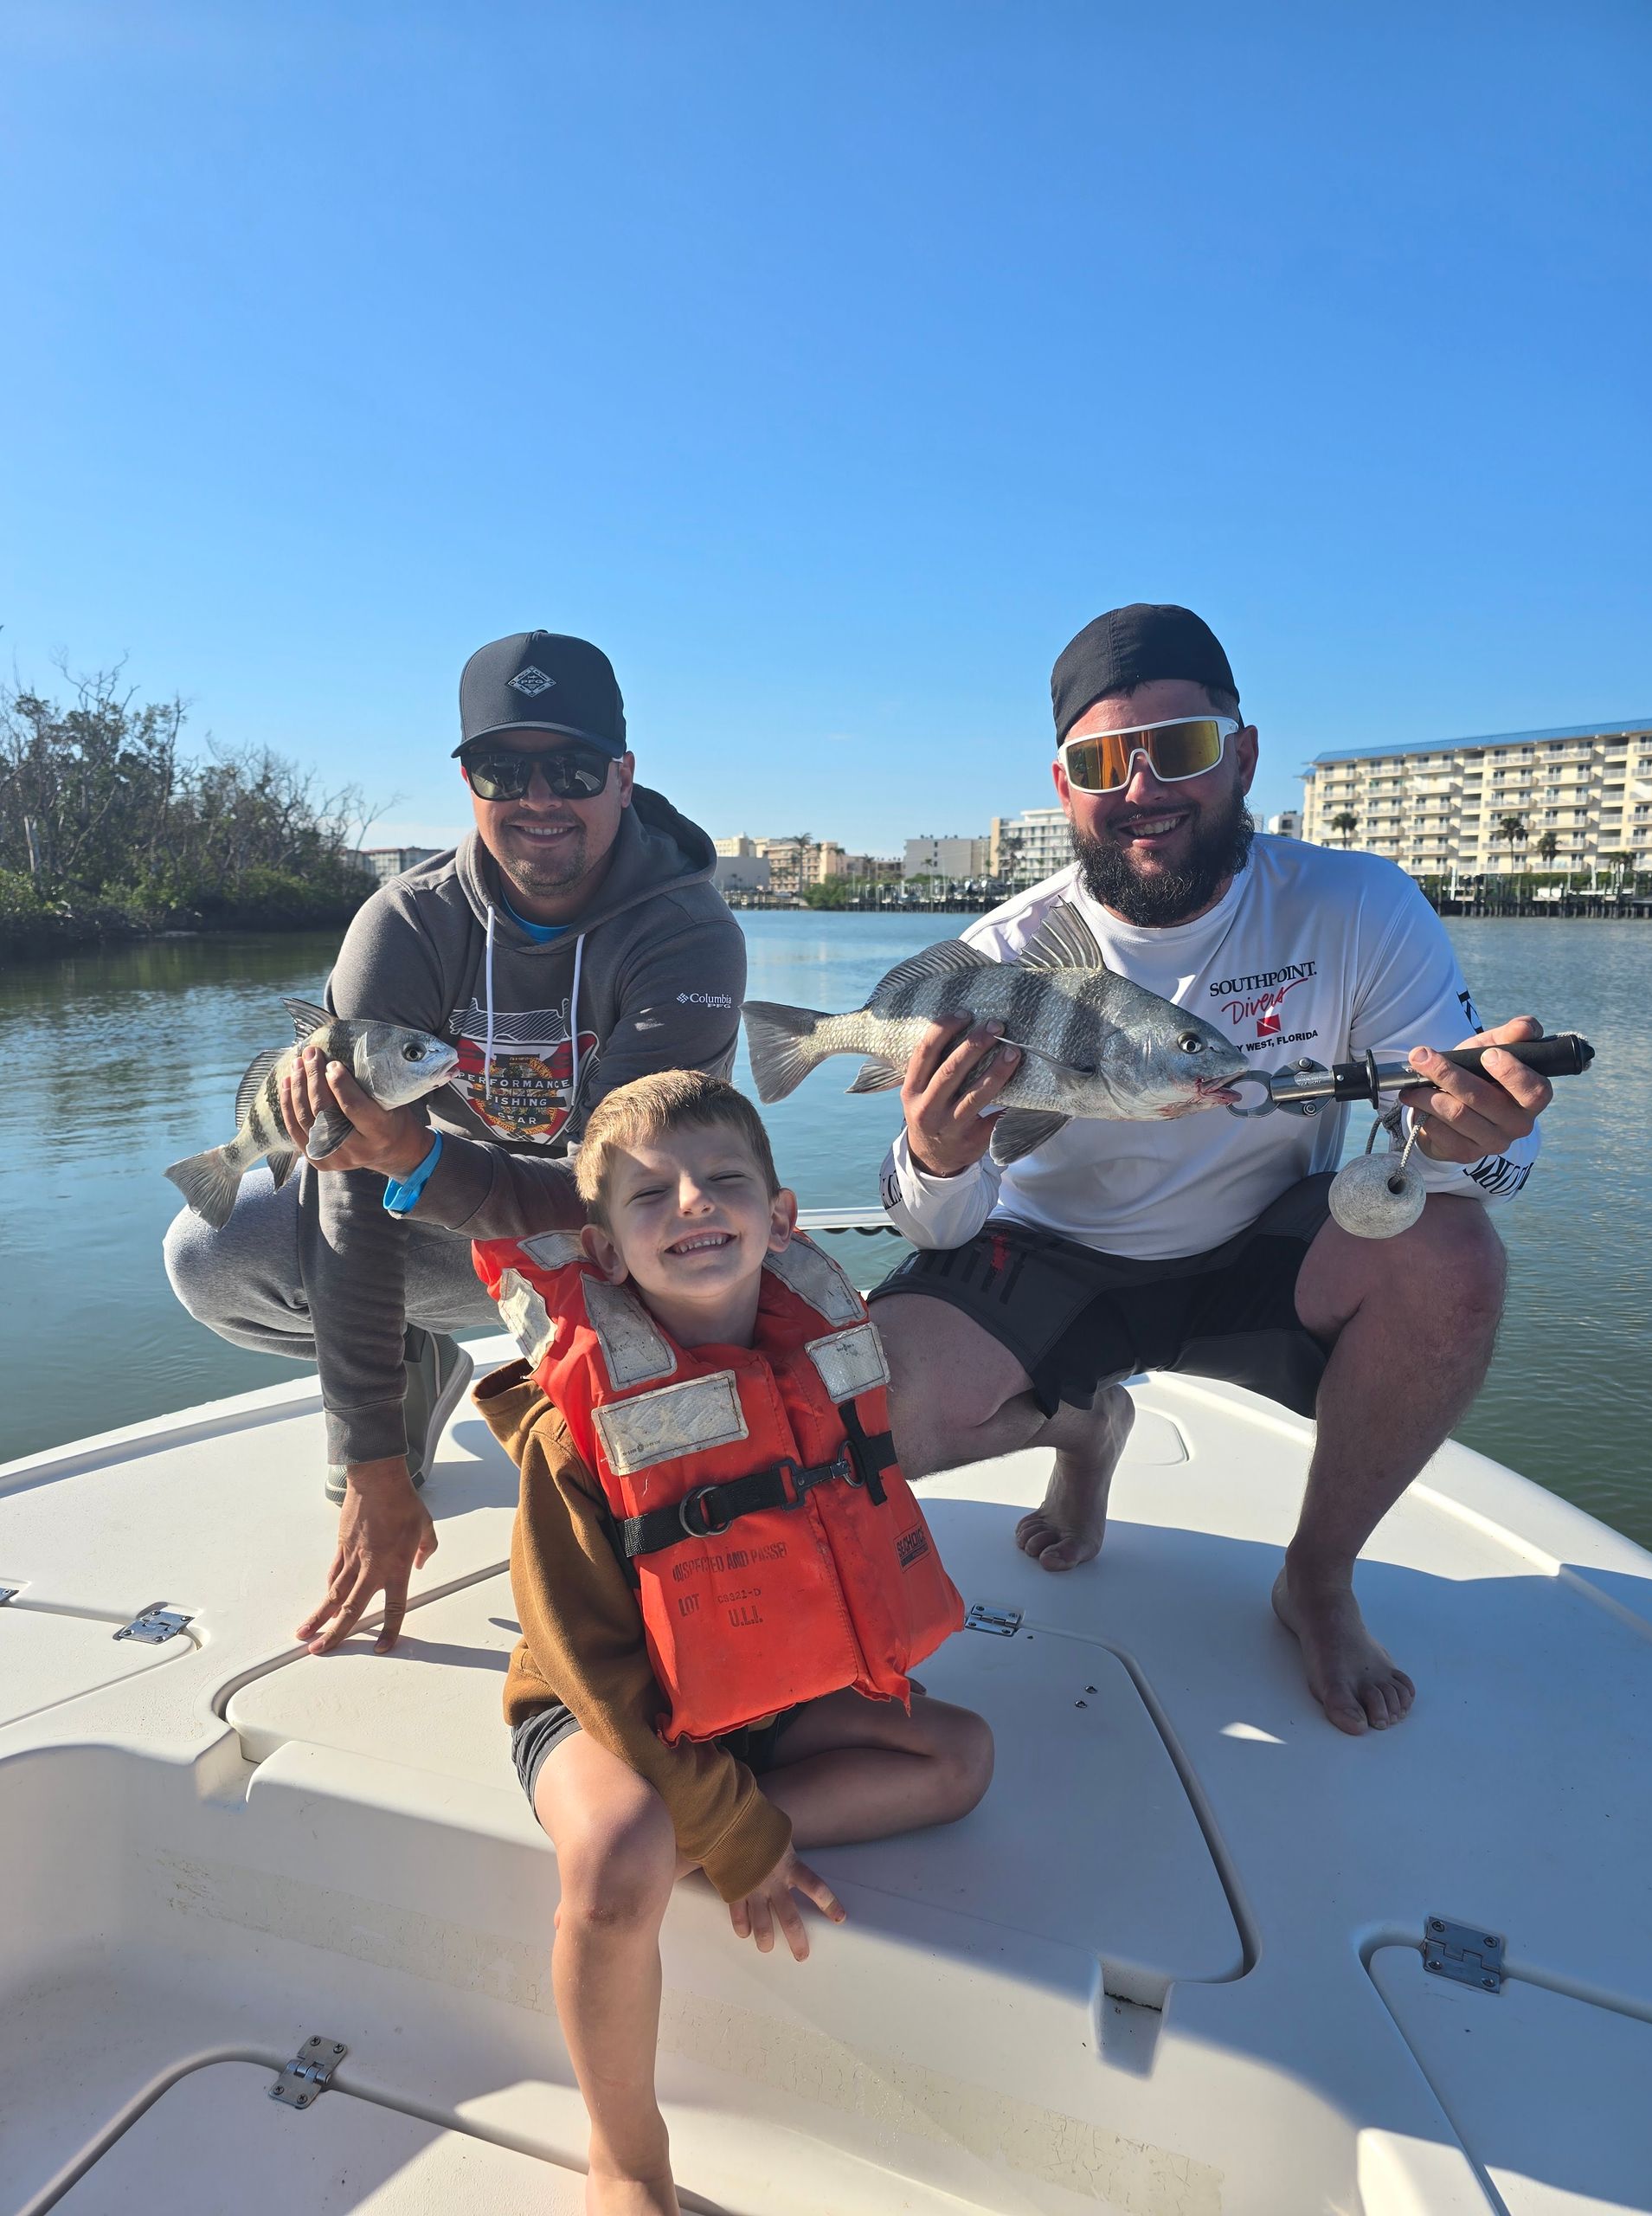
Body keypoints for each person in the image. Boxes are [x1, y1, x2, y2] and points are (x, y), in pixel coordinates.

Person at [868, 603, 1554, 1736]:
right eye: (1102, 761)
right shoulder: (998, 957)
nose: (1142, 786)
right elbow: (932, 1228)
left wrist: (1469, 1147)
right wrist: (937, 1158)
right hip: (1048, 1254)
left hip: (1266, 1246)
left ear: (1241, 754)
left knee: (1456, 1256)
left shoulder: (1358, 907)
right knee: (852, 1418)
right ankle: (1082, 1429)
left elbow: (1491, 1174)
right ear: (1062, 786)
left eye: (1180, 747)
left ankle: (1319, 1576)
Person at [163, 630, 746, 1655]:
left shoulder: (686, 933)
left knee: (668, 1536)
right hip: (442, 1225)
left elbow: (627, 1187)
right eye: (500, 768)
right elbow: (347, 1188)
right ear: (467, 779)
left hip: (616, 1242)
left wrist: (419, 1160)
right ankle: (412, 1364)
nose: (538, 799)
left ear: (624, 775)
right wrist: (373, 1456)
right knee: (213, 1253)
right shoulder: (403, 925)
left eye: (570, 767)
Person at [472, 1070, 992, 2216]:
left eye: (725, 1181)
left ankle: (719, 1835)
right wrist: (723, 1823)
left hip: (758, 1692)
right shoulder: (575, 1430)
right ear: (603, 1253)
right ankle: (626, 2156)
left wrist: (743, 1826)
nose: (694, 1204)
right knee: (615, 1865)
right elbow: (592, 1672)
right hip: (600, 1712)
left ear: (783, 1215)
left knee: (962, 1760)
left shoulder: (822, 1358)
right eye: (649, 1194)